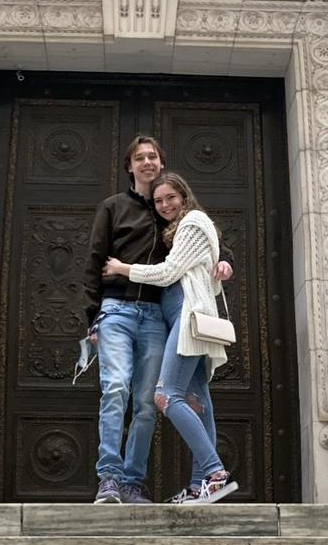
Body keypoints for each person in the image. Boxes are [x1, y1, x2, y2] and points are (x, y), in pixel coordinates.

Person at [83, 136, 231, 505]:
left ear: (162, 164)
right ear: (129, 166)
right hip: (117, 310)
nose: (147, 162)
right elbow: (94, 261)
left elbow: (206, 243)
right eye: (139, 157)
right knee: (116, 389)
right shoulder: (114, 207)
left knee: (153, 401)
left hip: (157, 317)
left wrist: (226, 258)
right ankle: (109, 478)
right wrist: (92, 318)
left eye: (153, 156)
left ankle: (135, 483)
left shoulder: (176, 214)